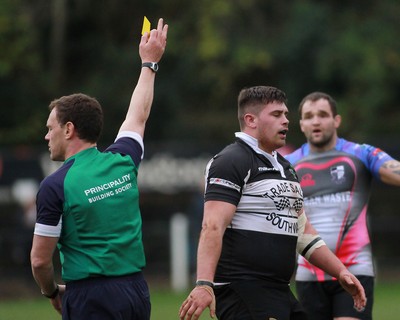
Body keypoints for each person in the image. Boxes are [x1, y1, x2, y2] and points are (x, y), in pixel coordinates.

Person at [179, 86, 367, 320]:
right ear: (251, 120)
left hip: (278, 291)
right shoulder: (231, 161)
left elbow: (304, 233)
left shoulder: (285, 167)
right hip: (243, 291)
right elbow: (212, 226)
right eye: (277, 115)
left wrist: (340, 272)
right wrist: (204, 284)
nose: (286, 121)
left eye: (286, 114)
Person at [30, 18, 168, 319]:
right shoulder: (123, 160)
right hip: (136, 292)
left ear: (68, 129)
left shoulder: (55, 186)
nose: (46, 136)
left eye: (50, 128)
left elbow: (40, 261)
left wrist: (52, 292)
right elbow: (139, 115)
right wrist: (149, 64)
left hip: (90, 297)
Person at [285, 92, 400, 320]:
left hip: (355, 268)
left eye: (323, 115)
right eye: (309, 116)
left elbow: (395, 170)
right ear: (301, 124)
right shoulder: (288, 166)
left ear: (336, 120)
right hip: (309, 274)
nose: (316, 121)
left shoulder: (361, 154)